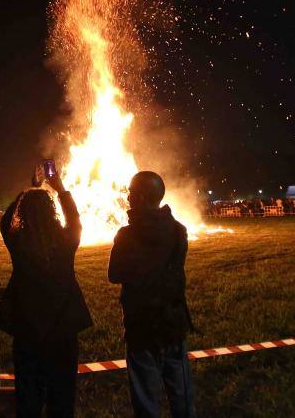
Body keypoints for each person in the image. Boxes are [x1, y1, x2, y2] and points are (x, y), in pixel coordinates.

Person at [0, 166, 93, 417]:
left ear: (22, 214)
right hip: (63, 330)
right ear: (52, 213)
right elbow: (75, 221)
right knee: (62, 393)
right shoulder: (67, 242)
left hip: (27, 329)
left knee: (28, 395)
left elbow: (6, 223)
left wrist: (30, 190)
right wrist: (60, 189)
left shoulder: (18, 243)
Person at [108, 171, 196, 418]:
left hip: (142, 326)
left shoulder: (127, 234)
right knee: (182, 395)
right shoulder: (179, 231)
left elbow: (114, 274)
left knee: (145, 398)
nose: (127, 197)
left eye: (132, 192)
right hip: (172, 323)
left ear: (144, 197)